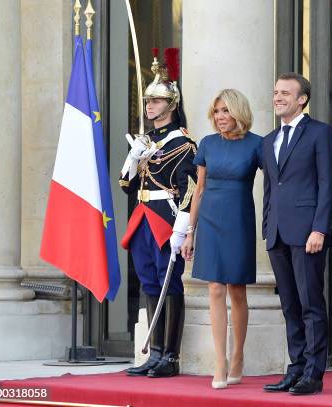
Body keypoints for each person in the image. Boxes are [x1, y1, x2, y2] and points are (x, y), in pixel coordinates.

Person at [119, 48, 197, 378]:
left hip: (166, 217)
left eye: (157, 101)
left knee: (169, 284)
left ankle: (170, 356)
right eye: (148, 101)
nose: (150, 106)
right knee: (150, 282)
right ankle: (154, 353)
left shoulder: (183, 144)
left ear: (172, 105)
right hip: (142, 215)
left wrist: (184, 227)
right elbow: (126, 184)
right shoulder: (145, 140)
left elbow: (190, 189)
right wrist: (133, 159)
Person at [261, 73, 332, 396]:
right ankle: (295, 369)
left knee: (310, 305)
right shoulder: (269, 140)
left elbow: (328, 183)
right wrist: (267, 225)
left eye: (285, 93)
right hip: (277, 233)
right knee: (290, 306)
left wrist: (320, 227)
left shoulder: (320, 133)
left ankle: (313, 373)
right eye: (276, 92)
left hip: (308, 233)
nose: (278, 97)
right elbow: (270, 188)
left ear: (302, 99)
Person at [180, 89, 262, 389]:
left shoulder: (257, 145)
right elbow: (198, 190)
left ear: (238, 112)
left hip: (239, 220)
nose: (221, 117)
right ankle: (220, 361)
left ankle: (238, 355)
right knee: (215, 288)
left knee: (237, 290)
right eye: (216, 111)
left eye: (226, 111)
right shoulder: (207, 144)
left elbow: (279, 182)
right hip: (211, 220)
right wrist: (190, 232)